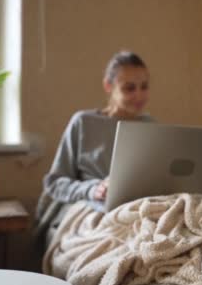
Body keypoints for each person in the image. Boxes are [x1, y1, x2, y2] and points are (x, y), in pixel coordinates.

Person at [34, 51, 154, 241]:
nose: (139, 95)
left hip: (142, 207)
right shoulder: (83, 122)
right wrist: (92, 189)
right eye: (129, 88)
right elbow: (55, 183)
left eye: (144, 87)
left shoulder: (151, 126)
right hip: (95, 206)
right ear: (109, 86)